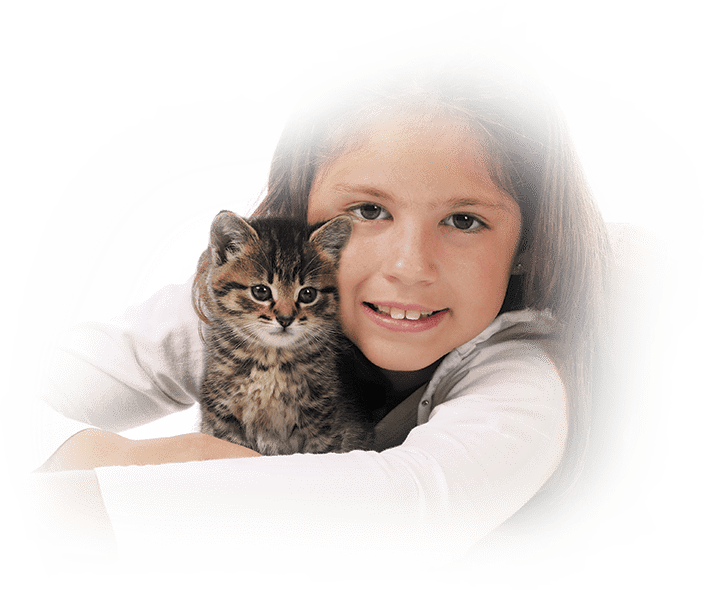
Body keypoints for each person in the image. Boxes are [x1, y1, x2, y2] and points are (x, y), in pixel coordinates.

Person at [26, 38, 616, 569]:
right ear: (300, 213)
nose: (409, 266)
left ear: (528, 244)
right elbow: (23, 392)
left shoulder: (528, 365)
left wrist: (125, 477)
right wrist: (125, 458)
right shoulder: (244, 305)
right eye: (368, 212)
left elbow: (417, 515)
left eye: (464, 220)